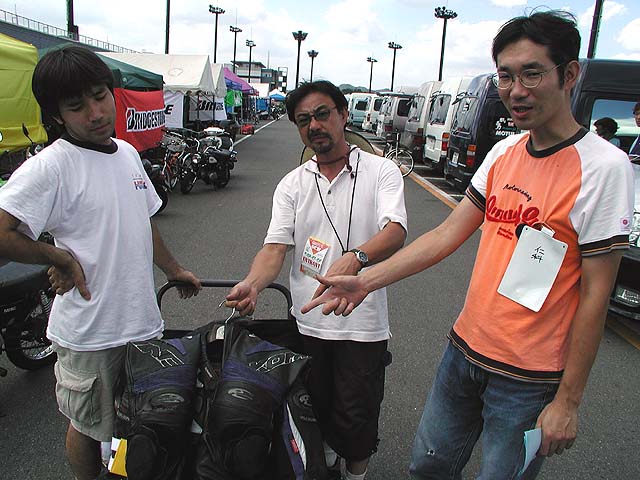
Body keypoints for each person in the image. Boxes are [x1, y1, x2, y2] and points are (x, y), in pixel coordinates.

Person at [302, 11, 634, 480]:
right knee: (426, 467)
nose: (516, 90)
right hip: (463, 352)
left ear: (570, 74)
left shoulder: (605, 167)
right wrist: (365, 279)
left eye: (532, 74)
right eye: (505, 76)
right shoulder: (503, 153)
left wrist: (568, 401)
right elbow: (445, 234)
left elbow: (596, 293)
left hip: (529, 377)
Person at [0, 46, 201, 480]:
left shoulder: (126, 153)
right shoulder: (51, 166)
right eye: (77, 106)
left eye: (100, 96)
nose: (95, 113)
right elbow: (3, 231)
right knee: (89, 426)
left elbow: (144, 222)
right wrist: (57, 256)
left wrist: (173, 269)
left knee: (137, 422)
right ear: (57, 116)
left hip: (141, 323)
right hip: (90, 333)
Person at [225, 80, 407, 480]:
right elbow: (275, 247)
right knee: (312, 411)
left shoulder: (381, 171)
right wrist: (253, 283)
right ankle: (323, 468)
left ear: (343, 114)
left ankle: (355, 475)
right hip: (307, 323)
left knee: (357, 420)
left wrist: (357, 257)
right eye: (303, 120)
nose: (314, 125)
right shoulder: (293, 183)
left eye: (322, 114)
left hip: (362, 325)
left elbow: (395, 230)